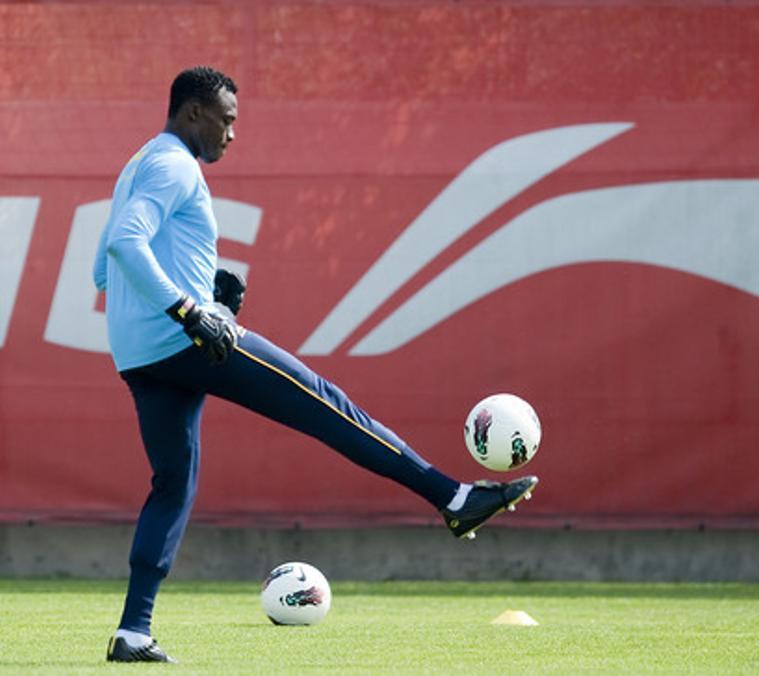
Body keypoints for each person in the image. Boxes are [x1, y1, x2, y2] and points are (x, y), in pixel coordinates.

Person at [93, 66, 538, 664]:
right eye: (227, 121)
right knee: (326, 404)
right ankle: (453, 499)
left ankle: (133, 632)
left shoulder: (139, 163)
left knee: (172, 486)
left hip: (141, 355)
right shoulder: (175, 165)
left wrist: (204, 290)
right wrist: (189, 309)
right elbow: (125, 243)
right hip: (185, 342)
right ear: (193, 113)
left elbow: (103, 272)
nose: (232, 134)